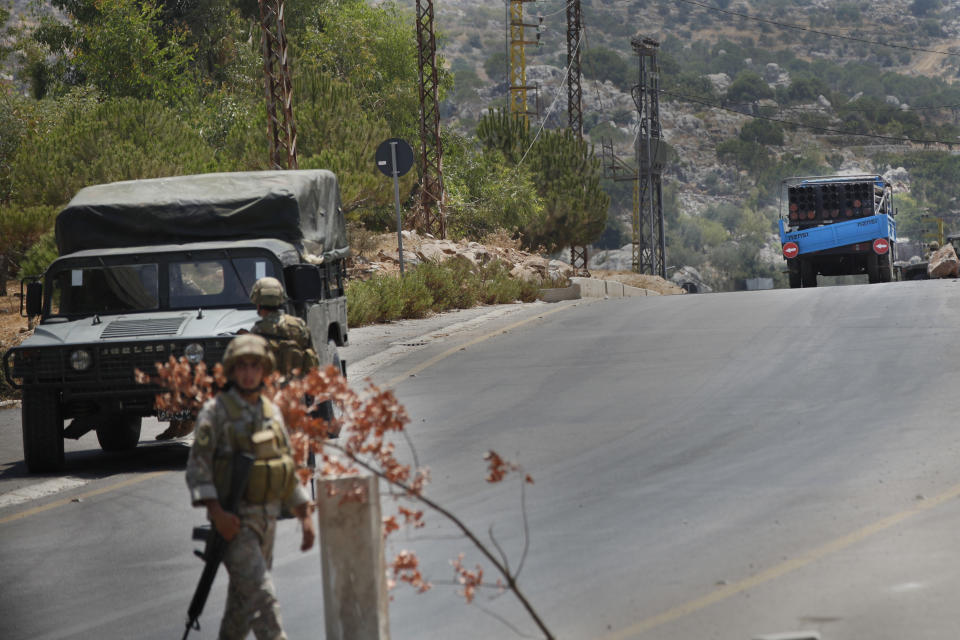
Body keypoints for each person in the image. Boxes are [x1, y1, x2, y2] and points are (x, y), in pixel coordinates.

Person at [185, 333, 315, 639]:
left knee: (242, 607)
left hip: (267, 521)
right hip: (234, 523)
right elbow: (198, 468)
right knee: (263, 599)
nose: (248, 372)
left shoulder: (271, 413)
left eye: (254, 366)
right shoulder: (215, 413)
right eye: (241, 366)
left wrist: (305, 515)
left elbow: (285, 467)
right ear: (232, 369)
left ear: (264, 370)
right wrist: (217, 514)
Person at [249, 277, 319, 381]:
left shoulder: (256, 332)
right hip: (297, 390)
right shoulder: (298, 325)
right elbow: (312, 360)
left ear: (258, 303)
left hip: (270, 393)